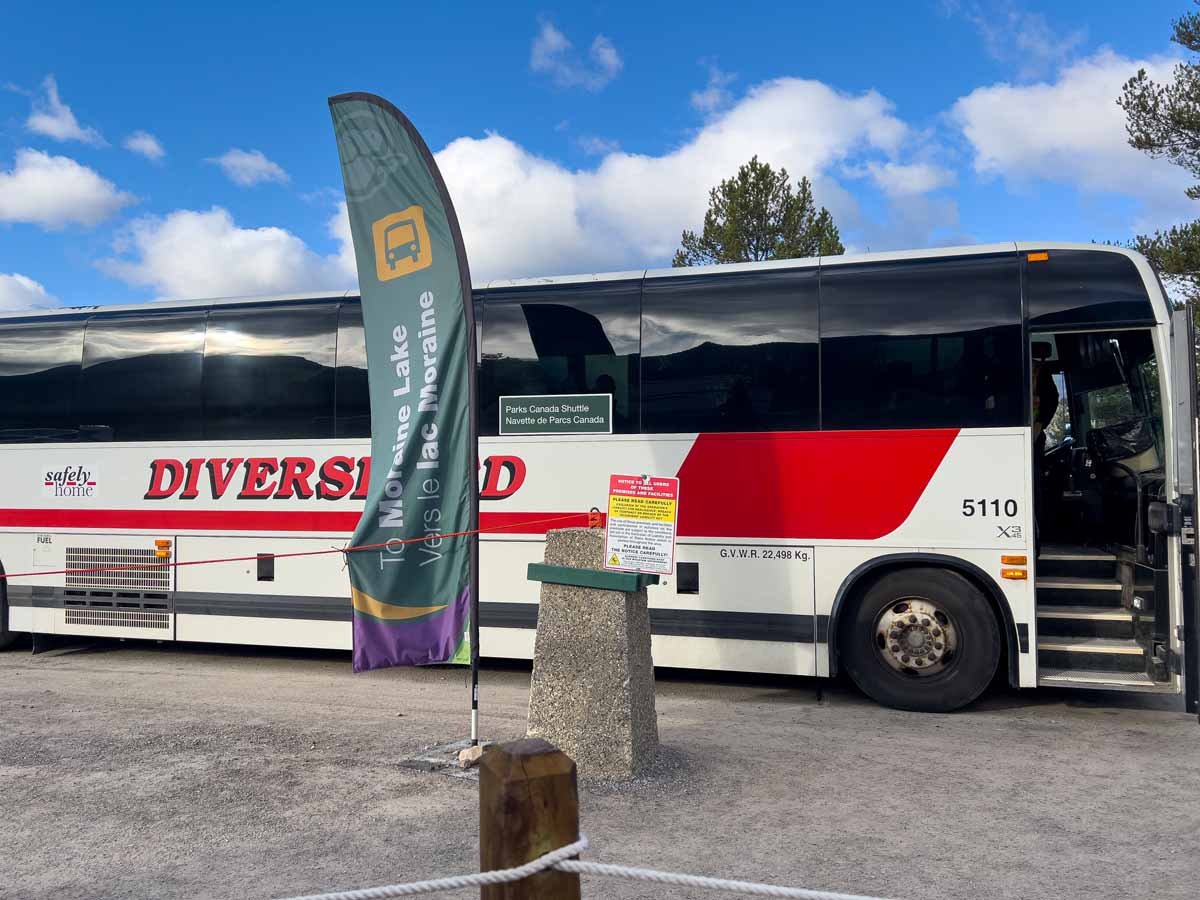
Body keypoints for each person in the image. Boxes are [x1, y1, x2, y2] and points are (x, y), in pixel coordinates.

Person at [1031, 342, 1061, 554]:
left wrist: (1041, 423)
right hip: (1017, 435)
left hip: (1033, 435)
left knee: (1034, 483)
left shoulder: (1041, 373)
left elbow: (1052, 399)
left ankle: (1036, 534)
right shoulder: (1004, 369)